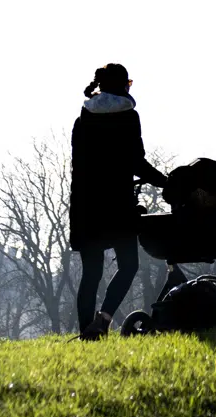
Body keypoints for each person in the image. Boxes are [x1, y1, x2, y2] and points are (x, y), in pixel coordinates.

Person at [70, 63, 168, 340]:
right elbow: (136, 161)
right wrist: (166, 182)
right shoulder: (128, 117)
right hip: (117, 203)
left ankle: (86, 335)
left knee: (91, 274)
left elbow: (78, 165)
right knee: (128, 265)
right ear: (124, 85)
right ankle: (103, 319)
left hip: (86, 204)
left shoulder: (83, 119)